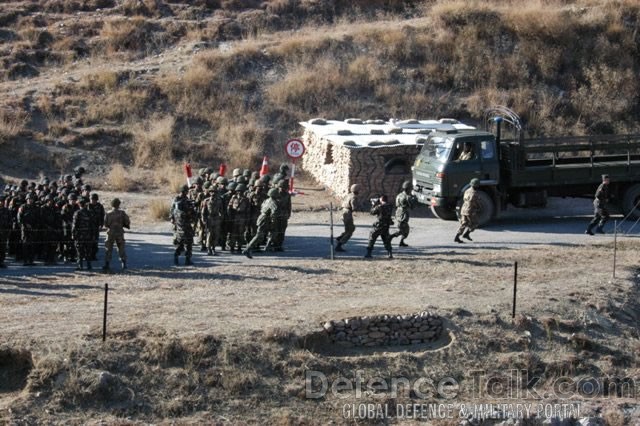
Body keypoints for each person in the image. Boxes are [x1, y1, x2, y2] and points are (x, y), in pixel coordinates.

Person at [243, 188, 280, 259]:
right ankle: (247, 249)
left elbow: (262, 208)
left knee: (271, 233)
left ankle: (267, 246)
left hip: (262, 218)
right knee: (259, 235)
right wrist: (273, 222)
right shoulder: (273, 202)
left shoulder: (266, 200)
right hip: (266, 219)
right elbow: (274, 213)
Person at [102, 198, 130, 272]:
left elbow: (105, 224)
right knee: (121, 248)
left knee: (108, 249)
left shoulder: (108, 213)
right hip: (120, 232)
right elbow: (127, 221)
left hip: (110, 233)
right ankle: (124, 264)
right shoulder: (122, 213)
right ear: (118, 205)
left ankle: (107, 264)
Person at [365, 195, 394, 259]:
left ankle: (368, 253)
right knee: (386, 240)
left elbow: (372, 212)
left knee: (372, 237)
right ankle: (390, 253)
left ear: (381, 200)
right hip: (386, 226)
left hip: (379, 225)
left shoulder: (379, 207)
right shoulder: (390, 206)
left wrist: (373, 204)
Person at [171, 190, 196, 266]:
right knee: (186, 245)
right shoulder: (183, 213)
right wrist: (191, 210)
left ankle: (178, 259)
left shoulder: (176, 212)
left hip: (181, 231)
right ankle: (186, 260)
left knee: (182, 245)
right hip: (185, 230)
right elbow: (192, 217)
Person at [391, 181, 418, 247]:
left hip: (398, 212)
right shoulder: (407, 197)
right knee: (404, 230)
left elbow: (396, 204)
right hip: (403, 214)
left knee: (404, 229)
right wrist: (414, 198)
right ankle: (390, 237)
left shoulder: (399, 195)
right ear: (408, 189)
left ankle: (401, 242)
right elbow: (412, 207)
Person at [455, 178, 482, 243]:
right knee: (475, 223)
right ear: (477, 186)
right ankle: (466, 234)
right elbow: (475, 203)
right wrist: (479, 207)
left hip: (463, 209)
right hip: (470, 211)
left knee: (464, 224)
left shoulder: (467, 190)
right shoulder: (474, 193)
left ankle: (457, 237)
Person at [72, 197, 95, 270]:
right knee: (88, 251)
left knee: (79, 251)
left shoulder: (77, 213)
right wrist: (93, 234)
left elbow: (74, 225)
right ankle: (89, 265)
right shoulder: (89, 212)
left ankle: (80, 266)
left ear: (79, 205)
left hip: (80, 235)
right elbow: (92, 225)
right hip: (88, 235)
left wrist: (73, 234)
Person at [335, 184, 360, 252]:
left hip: (344, 211)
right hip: (348, 213)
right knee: (350, 230)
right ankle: (339, 244)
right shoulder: (354, 197)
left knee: (349, 229)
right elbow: (354, 206)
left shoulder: (349, 195)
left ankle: (340, 238)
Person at [17, 193, 39, 266]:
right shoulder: (23, 207)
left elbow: (38, 218)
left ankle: (31, 260)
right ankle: (25, 260)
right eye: (29, 199)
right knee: (25, 244)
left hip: (33, 228)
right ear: (26, 200)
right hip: (25, 229)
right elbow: (19, 218)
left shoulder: (35, 207)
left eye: (31, 199)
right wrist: (25, 225)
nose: (30, 200)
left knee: (32, 245)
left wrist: (35, 226)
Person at [0, 195, 11, 268]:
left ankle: (1, 261)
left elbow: (10, 221)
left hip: (4, 232)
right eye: (0, 201)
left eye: (2, 201)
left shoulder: (7, 211)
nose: (1, 203)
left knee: (3, 247)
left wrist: (8, 229)